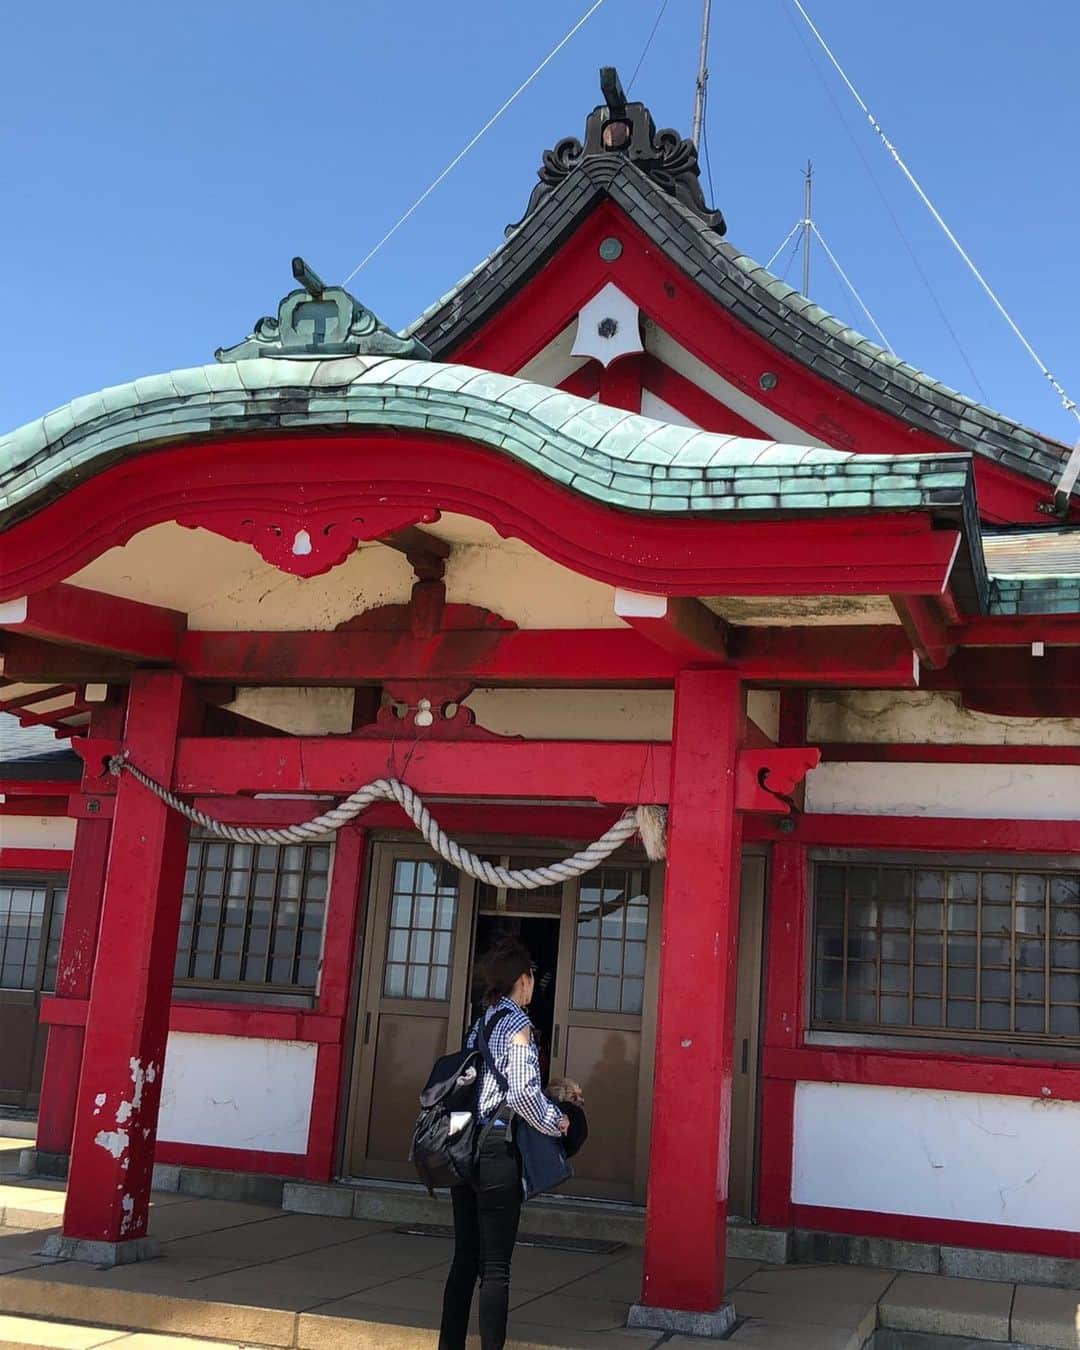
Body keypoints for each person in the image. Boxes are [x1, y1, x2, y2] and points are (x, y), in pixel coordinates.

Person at [439, 938, 569, 1350]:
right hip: (497, 1152)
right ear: (524, 981)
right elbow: (521, 1095)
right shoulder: (517, 1026)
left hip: (464, 1145)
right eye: (531, 977)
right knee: (495, 1268)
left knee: (464, 1260)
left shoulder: (482, 1021)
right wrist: (557, 1121)